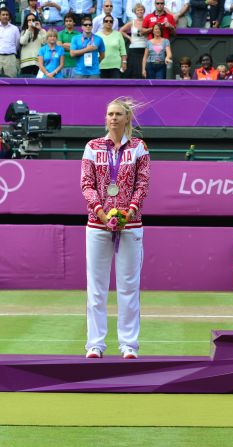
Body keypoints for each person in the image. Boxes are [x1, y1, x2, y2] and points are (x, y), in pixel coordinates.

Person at [81, 97, 150, 360]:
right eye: (109, 114)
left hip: (130, 225)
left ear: (127, 118)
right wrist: (100, 211)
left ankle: (129, 345)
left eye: (118, 114)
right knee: (96, 287)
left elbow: (143, 185)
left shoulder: (139, 148)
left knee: (129, 286)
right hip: (96, 225)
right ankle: (95, 344)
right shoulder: (92, 147)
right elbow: (86, 184)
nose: (113, 118)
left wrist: (127, 211)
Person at [120, 2, 148, 79]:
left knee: (142, 71)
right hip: (133, 49)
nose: (140, 11)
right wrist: (129, 38)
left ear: (144, 11)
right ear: (135, 12)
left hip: (144, 49)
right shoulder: (132, 22)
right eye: (138, 10)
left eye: (141, 10)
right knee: (133, 72)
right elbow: (121, 30)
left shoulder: (147, 21)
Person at [98, 13, 127, 78]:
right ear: (103, 23)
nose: (109, 22)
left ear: (113, 23)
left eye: (111, 21)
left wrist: (124, 62)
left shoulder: (118, 34)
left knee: (116, 88)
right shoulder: (97, 35)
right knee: (101, 88)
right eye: (106, 21)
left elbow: (123, 51)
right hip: (101, 65)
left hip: (116, 66)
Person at [57, 12, 80, 78]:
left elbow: (80, 48)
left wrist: (65, 45)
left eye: (70, 21)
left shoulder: (79, 35)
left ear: (74, 22)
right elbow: (59, 47)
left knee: (75, 87)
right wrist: (74, 47)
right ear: (64, 23)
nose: (68, 23)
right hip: (62, 65)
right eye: (66, 21)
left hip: (75, 65)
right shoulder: (60, 34)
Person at [0, 7, 20, 77]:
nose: (5, 16)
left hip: (10, 57)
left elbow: (17, 44)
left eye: (7, 15)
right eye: (3, 14)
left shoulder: (15, 29)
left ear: (9, 16)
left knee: (11, 80)